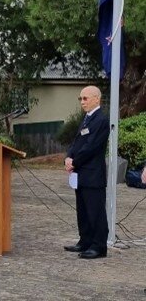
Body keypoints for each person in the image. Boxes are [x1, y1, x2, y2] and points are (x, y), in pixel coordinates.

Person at [64, 85, 110, 259]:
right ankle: (85, 241)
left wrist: (74, 162)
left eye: (85, 98)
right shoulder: (86, 119)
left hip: (92, 174)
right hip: (80, 173)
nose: (82, 102)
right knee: (82, 210)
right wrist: (68, 157)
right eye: (80, 99)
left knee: (95, 211)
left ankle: (99, 246)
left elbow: (91, 147)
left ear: (97, 99)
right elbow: (77, 143)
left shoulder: (100, 120)